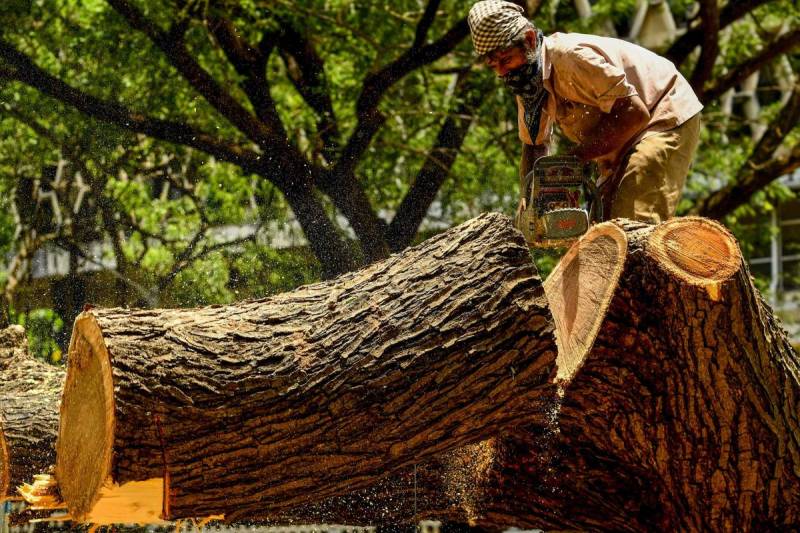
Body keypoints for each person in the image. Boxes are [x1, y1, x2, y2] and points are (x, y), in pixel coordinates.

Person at [468, 0, 703, 224]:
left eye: (506, 60)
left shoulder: (570, 58)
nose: (501, 72)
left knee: (633, 219)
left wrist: (574, 159)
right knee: (602, 228)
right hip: (620, 136)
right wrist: (532, 200)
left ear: (529, 40)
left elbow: (634, 112)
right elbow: (533, 145)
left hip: (661, 114)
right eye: (493, 66)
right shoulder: (528, 83)